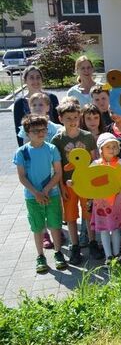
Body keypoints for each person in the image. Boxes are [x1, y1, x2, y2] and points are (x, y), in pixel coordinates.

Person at [14, 115, 67, 273]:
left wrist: (46, 190)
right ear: (27, 133)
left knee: (55, 225)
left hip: (52, 194)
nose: (40, 133)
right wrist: (36, 192)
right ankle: (40, 256)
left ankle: (58, 253)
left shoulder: (51, 149)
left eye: (43, 129)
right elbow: (22, 176)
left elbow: (58, 173)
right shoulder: (22, 152)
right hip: (32, 197)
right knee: (37, 227)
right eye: (35, 130)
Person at [51, 102, 97, 264]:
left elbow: (93, 160)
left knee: (88, 213)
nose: (72, 121)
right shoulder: (57, 140)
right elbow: (57, 167)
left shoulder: (87, 136)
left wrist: (92, 183)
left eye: (76, 118)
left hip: (86, 184)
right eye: (68, 118)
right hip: (68, 185)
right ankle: (75, 246)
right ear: (60, 118)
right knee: (70, 216)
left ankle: (92, 243)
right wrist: (61, 187)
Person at [86, 133, 121, 265]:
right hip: (101, 203)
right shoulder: (96, 164)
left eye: (114, 146)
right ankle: (108, 256)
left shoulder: (120, 162)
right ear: (101, 149)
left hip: (117, 201)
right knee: (104, 229)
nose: (112, 149)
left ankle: (117, 254)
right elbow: (87, 177)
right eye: (108, 147)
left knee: (116, 228)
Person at [13, 66, 60, 146]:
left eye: (38, 77)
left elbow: (58, 121)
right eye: (31, 78)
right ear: (25, 81)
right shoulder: (19, 103)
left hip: (52, 146)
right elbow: (19, 130)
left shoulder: (52, 98)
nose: (35, 80)